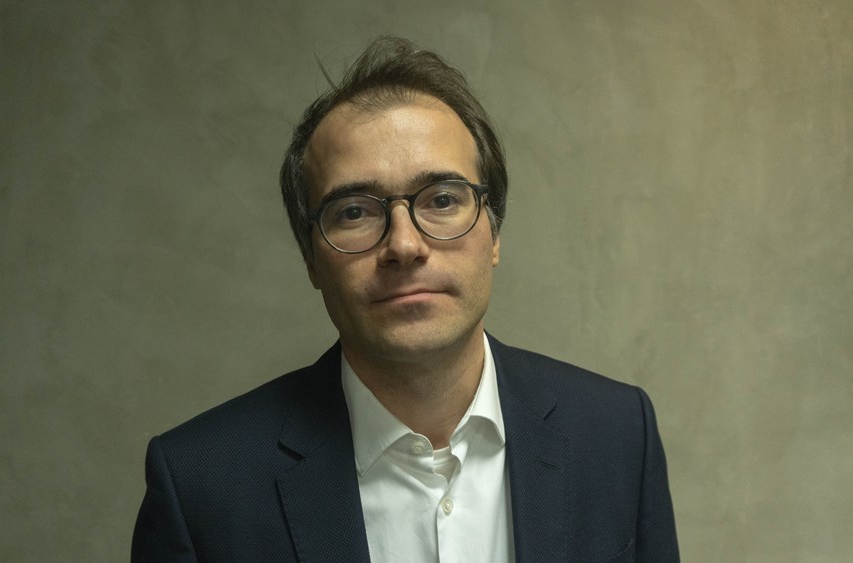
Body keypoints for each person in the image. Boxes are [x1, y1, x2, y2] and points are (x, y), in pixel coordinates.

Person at [131, 36, 679, 562]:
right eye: (354, 211)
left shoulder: (616, 434)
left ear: (494, 233)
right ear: (311, 259)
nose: (404, 245)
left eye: (442, 199)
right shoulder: (200, 488)